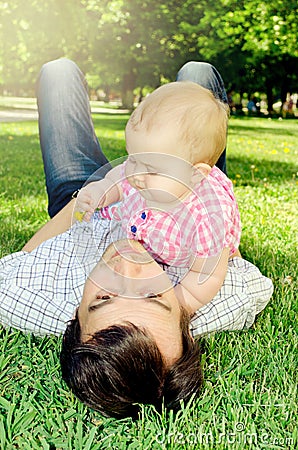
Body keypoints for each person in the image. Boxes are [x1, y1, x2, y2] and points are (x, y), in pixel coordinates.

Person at [0, 59, 273, 419]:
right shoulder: (202, 249)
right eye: (153, 296)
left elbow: (18, 266)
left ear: (73, 316)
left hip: (98, 196)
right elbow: (242, 283)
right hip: (175, 179)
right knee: (197, 79)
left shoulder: (49, 300)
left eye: (104, 296)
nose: (128, 265)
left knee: (56, 71)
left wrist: (86, 201)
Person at [75, 81, 241, 310]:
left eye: (151, 168)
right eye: (132, 158)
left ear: (195, 175)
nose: (136, 173)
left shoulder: (208, 218)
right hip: (148, 242)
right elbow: (117, 178)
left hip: (188, 259)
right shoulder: (145, 170)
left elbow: (206, 277)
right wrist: (101, 190)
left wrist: (177, 308)